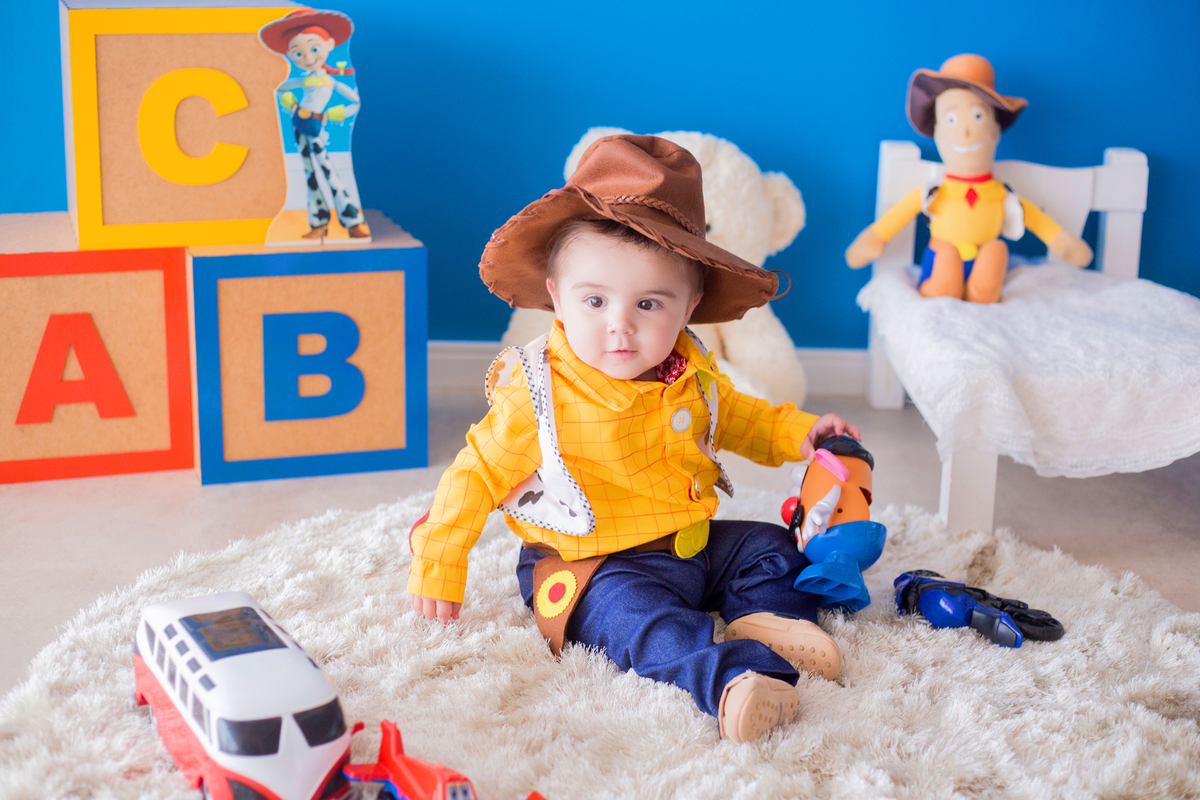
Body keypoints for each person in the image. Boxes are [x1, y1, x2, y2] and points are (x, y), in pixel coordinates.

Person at [408, 135, 862, 743]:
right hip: (591, 564)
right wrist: (440, 561)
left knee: (773, 547)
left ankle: (769, 616)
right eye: (594, 300)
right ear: (556, 297)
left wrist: (801, 433)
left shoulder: (690, 370)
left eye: (649, 303)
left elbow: (740, 418)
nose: (619, 326)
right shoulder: (538, 389)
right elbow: (476, 474)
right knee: (640, 624)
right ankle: (731, 681)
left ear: (690, 304)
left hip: (688, 546)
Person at [844, 54, 1092, 303]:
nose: (965, 131)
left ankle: (982, 293)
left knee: (996, 250)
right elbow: (898, 215)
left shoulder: (1001, 193)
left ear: (995, 130)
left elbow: (1038, 221)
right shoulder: (936, 190)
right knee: (947, 255)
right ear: (938, 132)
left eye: (977, 117)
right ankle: (941, 290)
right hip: (941, 258)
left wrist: (1064, 244)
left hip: (983, 260)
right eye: (951, 120)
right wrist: (875, 239)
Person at [259, 9, 370, 240]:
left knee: (329, 170)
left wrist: (333, 114)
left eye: (314, 49)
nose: (308, 58)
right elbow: (279, 88)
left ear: (329, 45)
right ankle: (319, 223)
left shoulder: (330, 80)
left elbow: (355, 101)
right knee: (308, 172)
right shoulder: (305, 79)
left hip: (316, 123)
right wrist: (292, 104)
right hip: (299, 122)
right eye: (298, 53)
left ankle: (353, 221)